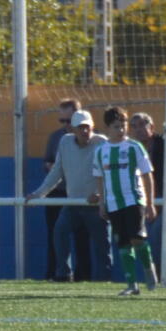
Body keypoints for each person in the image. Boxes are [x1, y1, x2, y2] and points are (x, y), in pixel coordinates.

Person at [27, 111, 104, 282]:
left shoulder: (102, 143)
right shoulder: (65, 142)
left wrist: (101, 195)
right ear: (73, 129)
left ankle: (104, 280)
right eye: (80, 128)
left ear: (93, 127)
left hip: (96, 205)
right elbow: (57, 171)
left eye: (87, 127)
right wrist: (39, 194)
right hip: (73, 203)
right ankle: (64, 274)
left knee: (102, 246)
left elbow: (111, 174)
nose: (85, 131)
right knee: (60, 232)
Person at [92, 106, 157, 297]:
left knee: (137, 238)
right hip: (113, 202)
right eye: (116, 126)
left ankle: (149, 269)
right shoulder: (101, 151)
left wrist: (150, 203)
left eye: (123, 125)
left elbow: (147, 174)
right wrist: (102, 203)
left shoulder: (134, 147)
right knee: (123, 243)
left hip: (134, 199)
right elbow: (99, 177)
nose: (121, 130)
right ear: (107, 128)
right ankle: (132, 284)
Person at [128, 111, 166, 278]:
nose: (138, 129)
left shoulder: (165, 144)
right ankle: (157, 277)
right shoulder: (131, 149)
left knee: (157, 236)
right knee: (141, 240)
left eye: (142, 125)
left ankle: (163, 277)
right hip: (145, 203)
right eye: (134, 126)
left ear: (151, 127)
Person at [40, 98, 81, 279]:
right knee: (55, 235)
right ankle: (57, 273)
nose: (66, 125)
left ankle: (85, 275)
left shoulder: (93, 137)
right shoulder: (56, 137)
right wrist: (55, 168)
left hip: (79, 194)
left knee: (82, 237)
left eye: (69, 120)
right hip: (57, 192)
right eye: (62, 120)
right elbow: (47, 162)